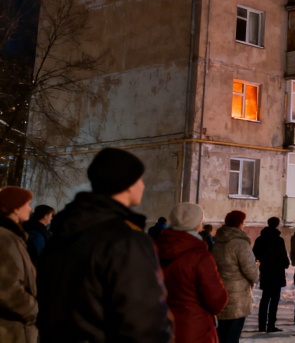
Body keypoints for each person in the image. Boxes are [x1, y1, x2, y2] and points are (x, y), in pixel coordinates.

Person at [37, 147, 174, 342]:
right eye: (140, 179)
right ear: (127, 184)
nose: (143, 186)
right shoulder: (126, 240)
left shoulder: (63, 232)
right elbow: (143, 322)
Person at [157, 202, 228, 342]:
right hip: (194, 329)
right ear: (198, 224)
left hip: (161, 326)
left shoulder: (155, 249)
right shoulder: (200, 257)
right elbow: (217, 300)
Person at [213, 210, 259, 343]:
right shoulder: (240, 243)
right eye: (243, 222)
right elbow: (251, 270)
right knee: (233, 335)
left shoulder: (218, 241)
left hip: (221, 292)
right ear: (239, 223)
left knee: (222, 334)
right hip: (237, 297)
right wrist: (256, 273)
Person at [0, 186, 38, 343]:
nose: (30, 208)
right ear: (15, 208)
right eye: (27, 204)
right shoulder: (5, 238)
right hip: (9, 330)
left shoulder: (14, 237)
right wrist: (32, 309)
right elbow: (6, 287)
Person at [253, 216, 290, 333]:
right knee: (274, 300)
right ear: (277, 224)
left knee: (265, 299)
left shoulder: (260, 239)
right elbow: (283, 257)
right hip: (277, 273)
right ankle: (271, 325)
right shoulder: (279, 240)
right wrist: (285, 264)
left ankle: (261, 325)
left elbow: (255, 254)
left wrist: (262, 262)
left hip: (265, 271)